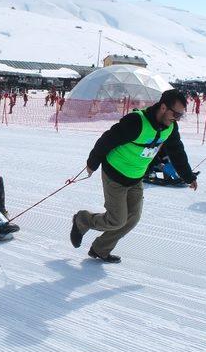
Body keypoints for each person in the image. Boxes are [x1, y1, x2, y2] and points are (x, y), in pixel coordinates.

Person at [70, 89, 198, 263]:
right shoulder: (136, 122)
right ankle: (82, 220)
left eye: (181, 115)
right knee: (116, 220)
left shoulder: (171, 128)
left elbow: (177, 152)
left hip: (136, 177)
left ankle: (101, 249)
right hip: (115, 173)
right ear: (162, 107)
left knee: (132, 218)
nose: (177, 118)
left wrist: (188, 176)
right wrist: (93, 162)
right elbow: (107, 139)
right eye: (175, 113)